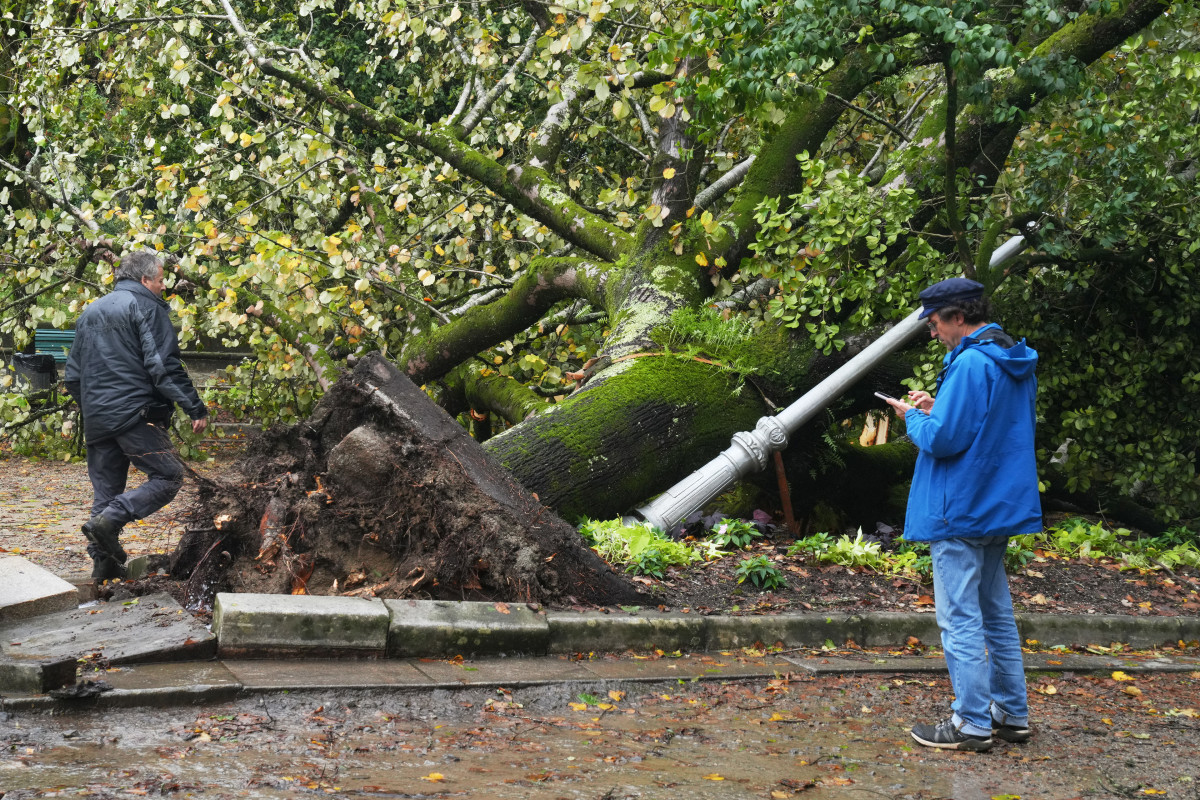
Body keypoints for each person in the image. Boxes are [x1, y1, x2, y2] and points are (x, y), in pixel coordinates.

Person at [882, 277, 1042, 752]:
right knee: (997, 617)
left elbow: (944, 440)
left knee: (960, 620)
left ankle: (970, 723)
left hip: (961, 508)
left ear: (956, 315)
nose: (933, 333)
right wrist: (938, 406)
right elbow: (991, 423)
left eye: (933, 323)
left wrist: (913, 417)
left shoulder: (972, 362)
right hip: (997, 506)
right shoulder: (1012, 358)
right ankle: (1012, 715)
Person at [64, 251, 209, 580]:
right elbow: (164, 366)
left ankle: (104, 567)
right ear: (145, 280)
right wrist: (194, 407)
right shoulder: (145, 306)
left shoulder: (90, 312)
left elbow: (72, 377)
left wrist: (95, 407)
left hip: (98, 419)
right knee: (169, 475)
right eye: (160, 280)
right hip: (135, 414)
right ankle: (111, 521)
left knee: (106, 493)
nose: (163, 287)